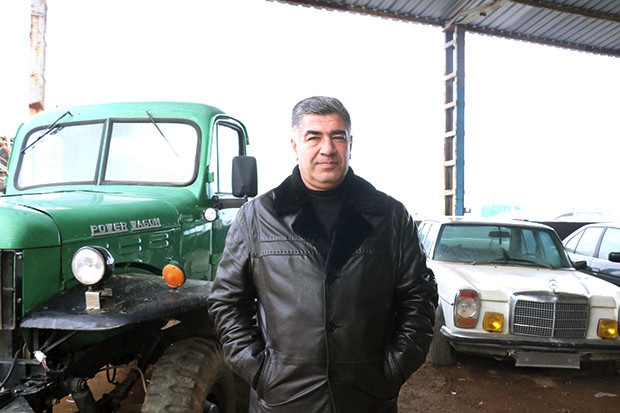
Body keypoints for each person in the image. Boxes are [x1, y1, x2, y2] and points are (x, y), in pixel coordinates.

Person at [208, 96, 438, 412]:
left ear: (350, 143)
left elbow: (419, 297)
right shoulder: (257, 218)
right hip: (284, 398)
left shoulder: (390, 217)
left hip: (367, 397)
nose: (327, 148)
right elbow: (227, 302)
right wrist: (260, 371)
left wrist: (394, 368)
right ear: (295, 145)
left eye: (337, 137)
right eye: (313, 137)